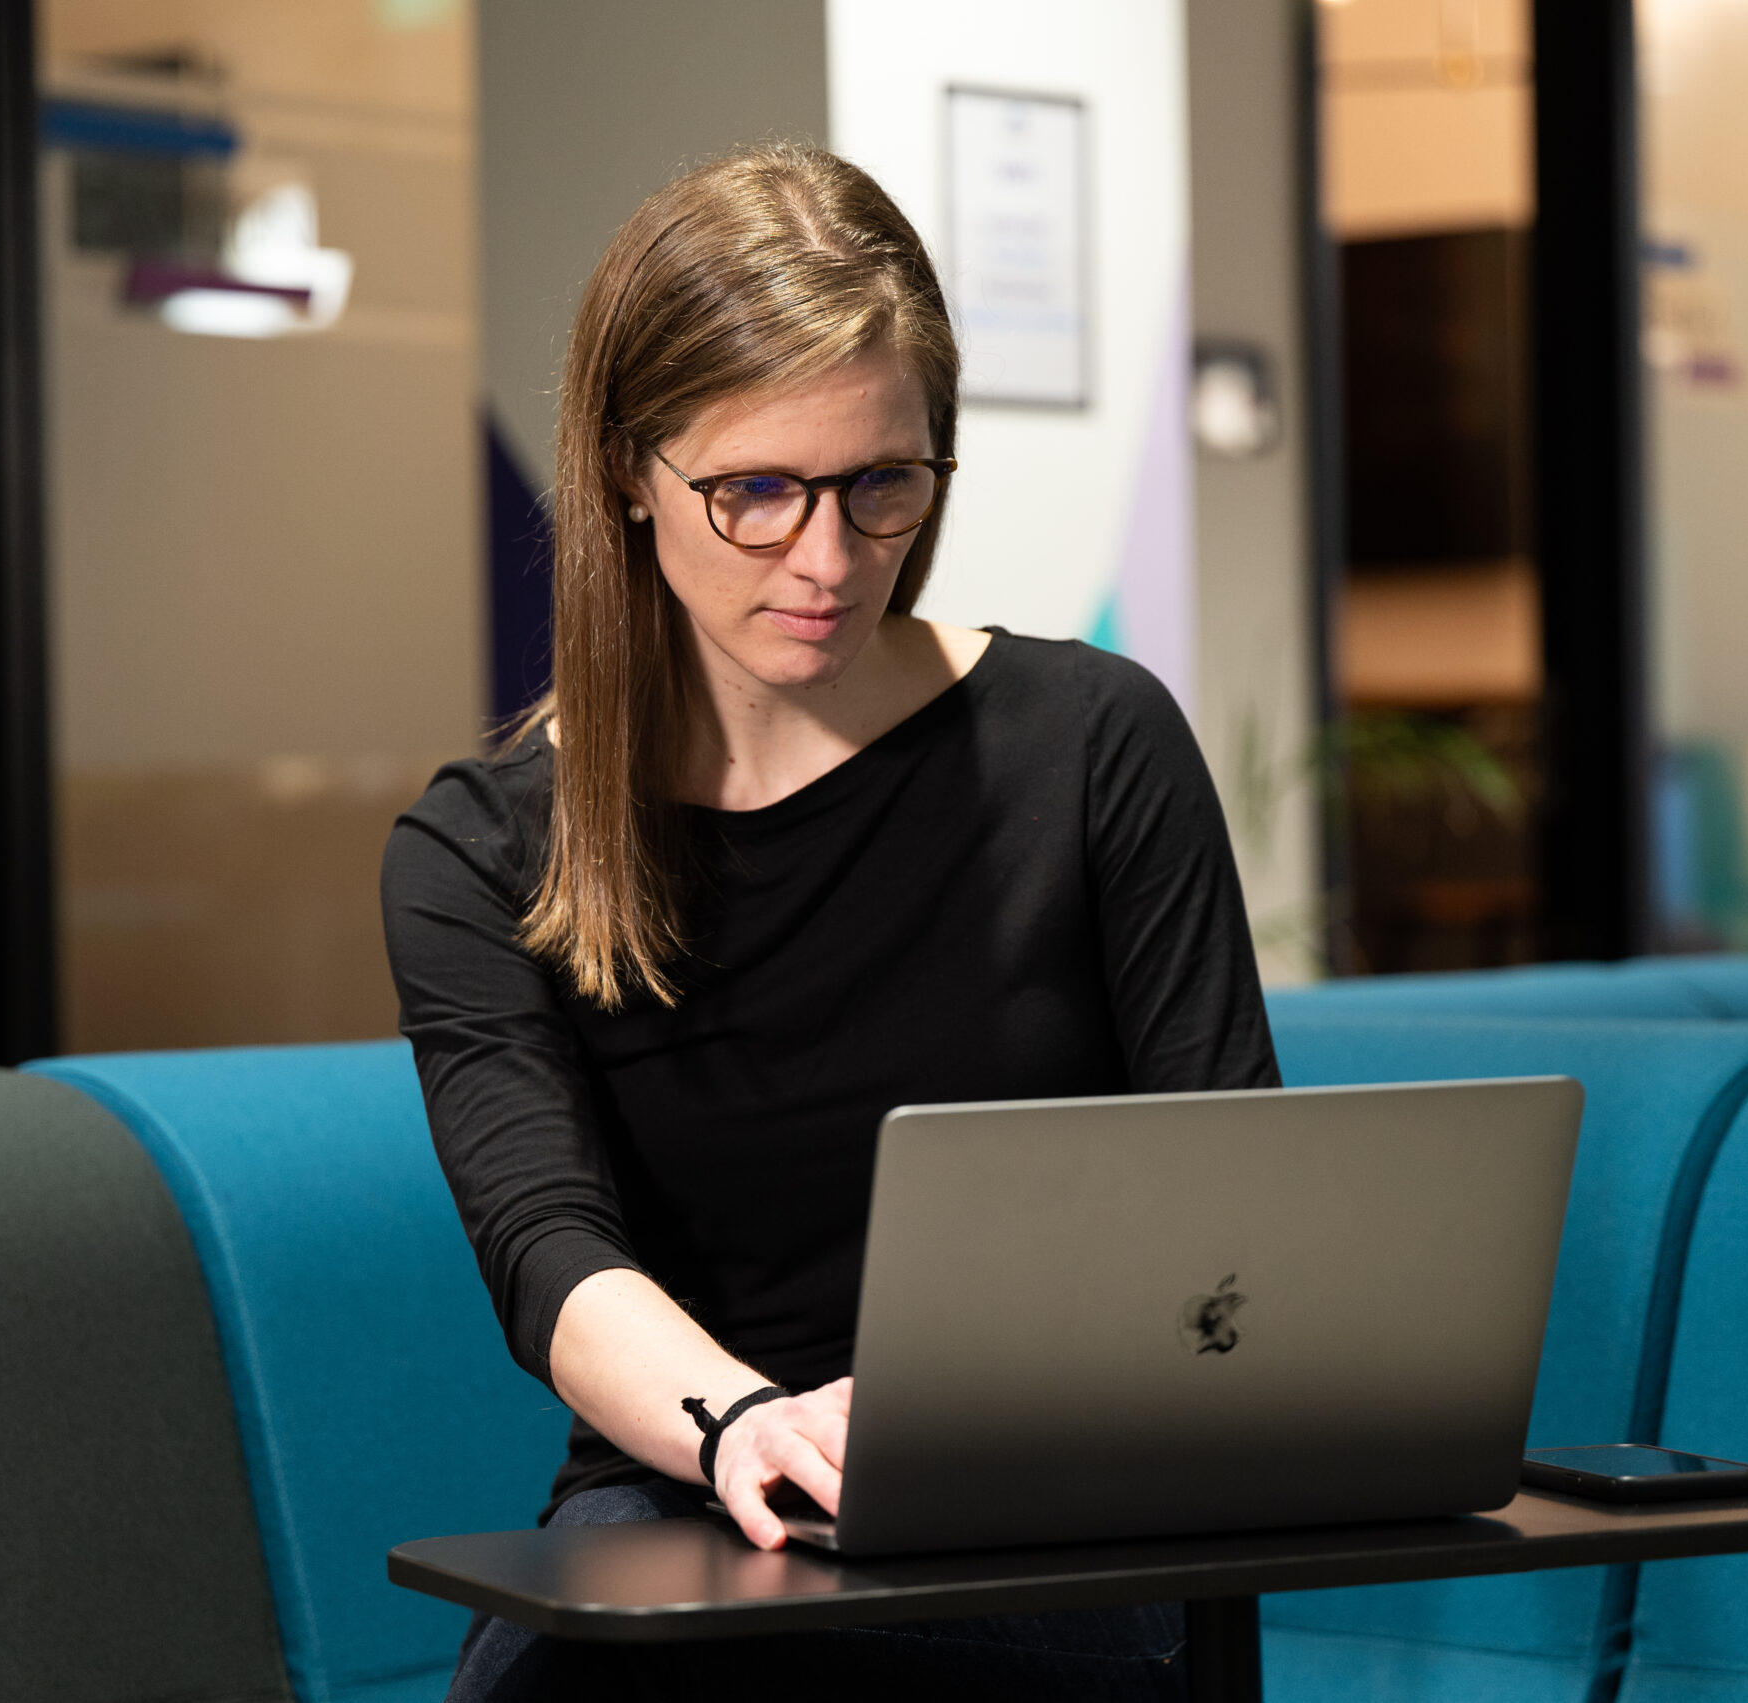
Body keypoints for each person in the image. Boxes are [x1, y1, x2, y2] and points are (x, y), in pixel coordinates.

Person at [382, 142, 1280, 1701]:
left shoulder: (1091, 743)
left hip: (1062, 1498)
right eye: (754, 493)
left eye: (882, 484)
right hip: (685, 1474)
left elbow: (1232, 1187)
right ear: (625, 471)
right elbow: (552, 1255)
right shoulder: (483, 846)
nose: (827, 558)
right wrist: (747, 1423)